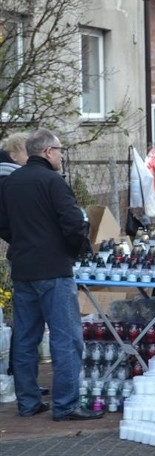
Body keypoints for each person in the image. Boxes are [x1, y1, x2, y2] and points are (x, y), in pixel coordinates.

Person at [0, 129, 102, 421]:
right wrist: (73, 250)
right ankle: (66, 404)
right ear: (47, 152)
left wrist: (21, 241)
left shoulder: (11, 182)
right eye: (59, 150)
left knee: (25, 338)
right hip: (54, 270)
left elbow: (3, 224)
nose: (60, 155)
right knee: (66, 339)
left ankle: (28, 402)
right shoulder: (53, 182)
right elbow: (73, 223)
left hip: (22, 268)